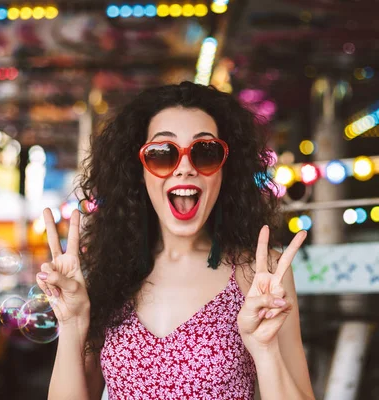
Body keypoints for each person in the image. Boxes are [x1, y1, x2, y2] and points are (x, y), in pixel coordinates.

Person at [36, 81, 315, 400]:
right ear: (137, 171)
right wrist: (72, 325)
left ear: (227, 170)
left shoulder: (263, 273)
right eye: (162, 153)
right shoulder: (109, 273)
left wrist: (266, 352)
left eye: (205, 152)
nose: (184, 168)